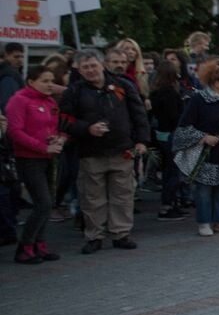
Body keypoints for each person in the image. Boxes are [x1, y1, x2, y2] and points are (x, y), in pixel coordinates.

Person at [58, 49, 150, 254]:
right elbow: (64, 120)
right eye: (85, 67)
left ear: (102, 65)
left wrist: (142, 140)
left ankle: (121, 233)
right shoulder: (74, 91)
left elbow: (139, 114)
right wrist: (87, 128)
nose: (90, 70)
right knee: (92, 198)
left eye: (93, 65)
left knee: (123, 195)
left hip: (122, 150)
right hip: (90, 152)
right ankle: (94, 235)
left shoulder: (123, 85)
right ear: (79, 70)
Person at [172, 60, 219, 237]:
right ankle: (204, 222)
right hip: (204, 152)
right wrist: (203, 137)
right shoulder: (199, 100)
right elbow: (183, 128)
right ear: (217, 83)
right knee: (203, 189)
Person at [7, 64, 65, 263]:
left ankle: (39, 244)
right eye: (45, 81)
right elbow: (15, 132)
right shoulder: (19, 100)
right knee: (43, 203)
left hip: (48, 158)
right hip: (29, 159)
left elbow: (55, 126)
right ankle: (25, 247)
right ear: (31, 82)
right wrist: (42, 147)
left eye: (52, 81)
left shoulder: (49, 101)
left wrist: (57, 139)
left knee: (48, 203)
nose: (50, 85)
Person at [147, 62, 188, 221]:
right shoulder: (170, 93)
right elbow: (173, 116)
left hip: (161, 134)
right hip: (171, 134)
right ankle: (168, 205)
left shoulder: (155, 92)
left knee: (168, 171)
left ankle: (170, 203)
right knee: (172, 172)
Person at [0, 43, 25, 110]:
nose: (20, 60)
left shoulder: (15, 72)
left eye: (22, 57)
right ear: (6, 56)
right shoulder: (9, 75)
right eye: (16, 57)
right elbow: (7, 103)